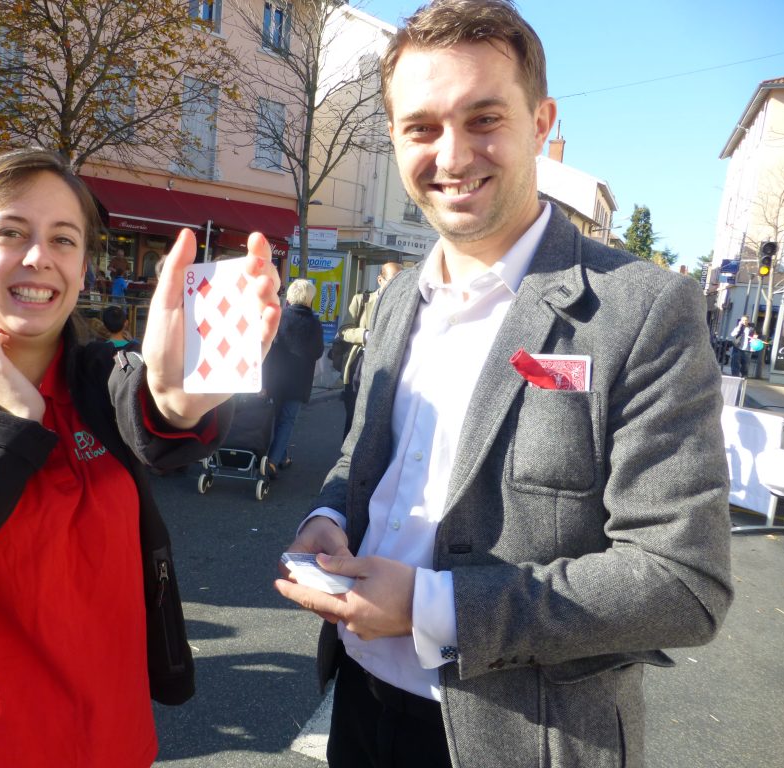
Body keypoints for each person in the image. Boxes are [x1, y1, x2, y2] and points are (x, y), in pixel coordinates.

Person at [274, 3, 732, 767]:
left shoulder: (642, 308)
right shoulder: (393, 299)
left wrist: (432, 606)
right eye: (421, 127)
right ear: (394, 138)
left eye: (483, 117)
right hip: (358, 702)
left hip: (523, 737)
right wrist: (330, 511)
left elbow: (683, 581)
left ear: (540, 122)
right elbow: (364, 455)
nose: (452, 155)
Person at [0, 149, 280, 766]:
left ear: (83, 270)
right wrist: (15, 429)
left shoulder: (99, 378)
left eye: (64, 240)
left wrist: (178, 402)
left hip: (114, 741)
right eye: (11, 233)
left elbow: (155, 422)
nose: (39, 256)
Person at [262, 279, 324, 475]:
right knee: (287, 419)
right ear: (309, 299)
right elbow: (318, 352)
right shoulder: (314, 324)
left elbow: (268, 347)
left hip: (275, 378)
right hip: (298, 382)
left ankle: (282, 456)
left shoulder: (279, 317)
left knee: (275, 417)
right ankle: (272, 462)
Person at [338, 262, 402, 437]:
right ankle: (347, 461)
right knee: (354, 417)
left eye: (401, 281)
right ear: (380, 280)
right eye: (393, 280)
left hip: (390, 365)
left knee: (379, 419)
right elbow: (344, 330)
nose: (398, 286)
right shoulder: (362, 300)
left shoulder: (404, 306)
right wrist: (366, 335)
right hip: (361, 363)